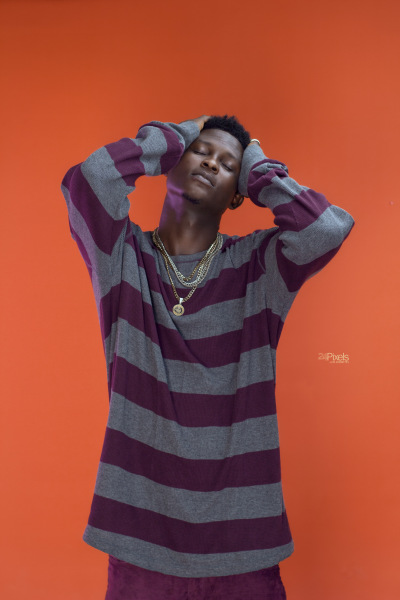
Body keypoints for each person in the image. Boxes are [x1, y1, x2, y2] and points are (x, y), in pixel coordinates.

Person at [61, 114, 354, 599]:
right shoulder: (121, 256)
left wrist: (257, 166)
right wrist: (174, 135)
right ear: (173, 162)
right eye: (200, 151)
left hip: (245, 543)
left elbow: (324, 229)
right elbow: (90, 179)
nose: (212, 163)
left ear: (238, 193)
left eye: (227, 164)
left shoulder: (258, 269)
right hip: (141, 539)